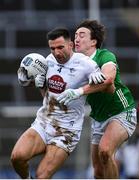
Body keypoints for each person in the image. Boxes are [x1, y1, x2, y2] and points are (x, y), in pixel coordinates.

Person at [10, 28, 112, 179]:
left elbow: (108, 88)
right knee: (17, 157)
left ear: (70, 45)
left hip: (66, 131)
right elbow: (46, 94)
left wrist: (84, 88)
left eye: (60, 47)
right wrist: (39, 84)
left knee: (42, 175)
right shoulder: (48, 61)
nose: (56, 52)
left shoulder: (86, 64)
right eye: (52, 48)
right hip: (44, 122)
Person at [57, 20, 137, 178]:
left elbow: (108, 81)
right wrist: (40, 83)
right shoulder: (75, 64)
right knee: (98, 171)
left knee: (105, 151)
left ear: (93, 41)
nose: (76, 39)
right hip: (99, 118)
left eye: (82, 35)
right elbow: (60, 85)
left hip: (121, 112)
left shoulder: (104, 56)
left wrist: (79, 91)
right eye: (75, 36)